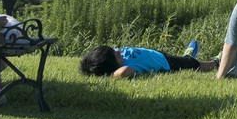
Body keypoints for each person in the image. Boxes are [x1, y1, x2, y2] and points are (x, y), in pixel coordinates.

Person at [80, 41, 218, 78]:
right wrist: (110, 75)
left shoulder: (112, 55)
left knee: (185, 60)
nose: (118, 51)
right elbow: (123, 73)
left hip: (158, 55)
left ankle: (186, 56)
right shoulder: (125, 68)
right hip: (167, 64)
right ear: (113, 66)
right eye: (116, 55)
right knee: (194, 65)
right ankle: (217, 62)